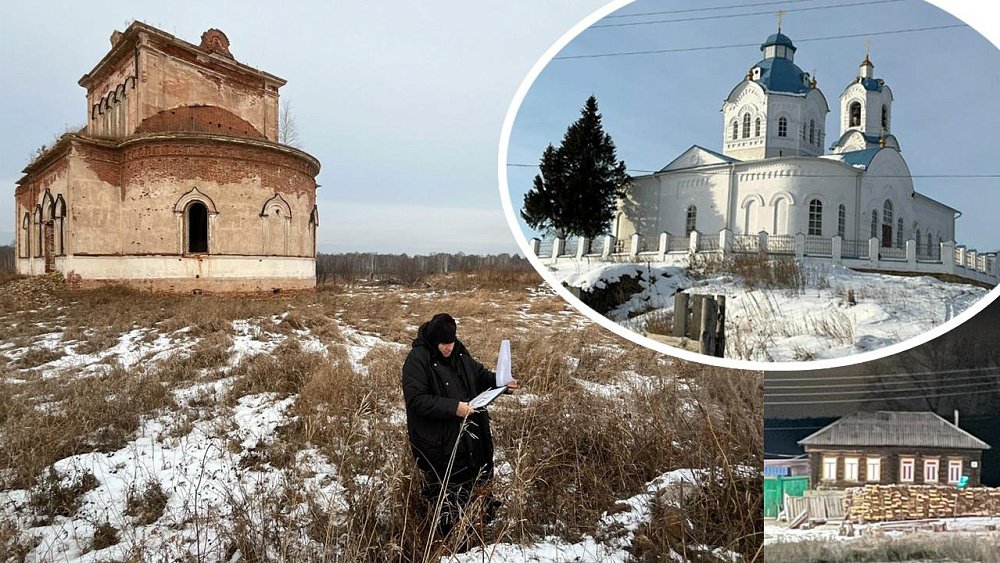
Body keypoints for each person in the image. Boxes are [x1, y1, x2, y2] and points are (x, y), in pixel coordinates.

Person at [401, 313, 518, 538]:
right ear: (434, 341)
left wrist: (501, 382)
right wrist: (454, 407)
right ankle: (448, 535)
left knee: (479, 477)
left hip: (472, 433)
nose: (449, 348)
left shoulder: (459, 352)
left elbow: (479, 374)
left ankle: (480, 521)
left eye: (451, 342)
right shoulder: (418, 359)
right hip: (440, 441)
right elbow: (416, 400)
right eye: (444, 344)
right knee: (449, 488)